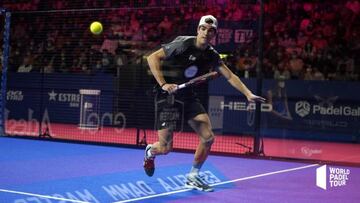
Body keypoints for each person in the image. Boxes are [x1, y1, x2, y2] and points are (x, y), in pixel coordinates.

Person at [144, 15, 265, 192]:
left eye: (211, 31)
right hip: (167, 97)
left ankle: (193, 176)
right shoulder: (183, 43)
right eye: (203, 28)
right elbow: (152, 58)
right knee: (165, 147)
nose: (206, 32)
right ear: (198, 30)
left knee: (208, 137)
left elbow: (230, 75)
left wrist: (248, 93)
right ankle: (150, 152)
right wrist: (164, 84)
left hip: (188, 95)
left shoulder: (212, 55)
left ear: (214, 34)